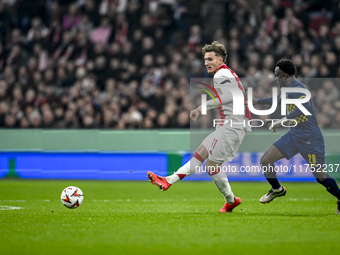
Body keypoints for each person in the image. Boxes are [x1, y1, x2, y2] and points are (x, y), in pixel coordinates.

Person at [147, 41, 252, 213]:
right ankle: (169, 180)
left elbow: (230, 97)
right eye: (205, 60)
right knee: (202, 154)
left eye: (210, 59)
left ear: (220, 60)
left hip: (234, 124)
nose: (206, 63)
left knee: (211, 166)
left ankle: (231, 200)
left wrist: (202, 107)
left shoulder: (221, 74)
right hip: (231, 123)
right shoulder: (226, 73)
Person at [253, 59, 340, 214]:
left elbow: (302, 108)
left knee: (320, 176)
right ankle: (277, 189)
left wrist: (280, 122)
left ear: (285, 75)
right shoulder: (290, 90)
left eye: (277, 75)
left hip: (310, 138)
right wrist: (257, 101)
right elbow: (279, 100)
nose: (275, 78)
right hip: (294, 135)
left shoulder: (300, 88)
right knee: (265, 160)